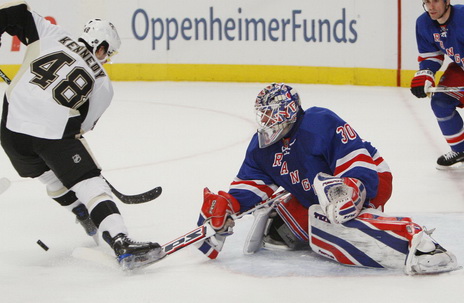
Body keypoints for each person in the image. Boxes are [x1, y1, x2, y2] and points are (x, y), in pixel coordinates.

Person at [0, 1, 164, 269]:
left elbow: (10, 12)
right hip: (51, 134)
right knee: (90, 183)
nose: (106, 59)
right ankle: (119, 240)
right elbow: (82, 126)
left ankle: (79, 211)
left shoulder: (50, 33)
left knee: (46, 174)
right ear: (101, 46)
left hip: (11, 132)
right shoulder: (104, 83)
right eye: (108, 53)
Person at [195, 83, 458, 274]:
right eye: (262, 114)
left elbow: (357, 161)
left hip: (371, 177)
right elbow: (251, 185)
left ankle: (419, 242)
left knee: (328, 220)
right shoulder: (260, 146)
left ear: (288, 112)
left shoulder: (319, 122)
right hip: (313, 192)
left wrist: (352, 189)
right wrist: (228, 204)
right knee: (314, 217)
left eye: (270, 114)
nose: (265, 120)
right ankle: (295, 215)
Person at [410, 0, 464, 169]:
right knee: (441, 102)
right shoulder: (423, 23)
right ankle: (460, 150)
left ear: (447, 1)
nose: (431, 7)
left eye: (435, 1)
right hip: (461, 69)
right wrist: (426, 73)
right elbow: (430, 55)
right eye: (427, 2)